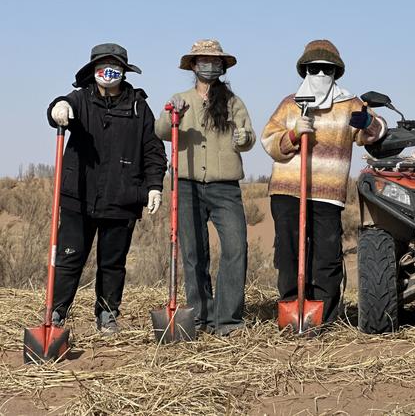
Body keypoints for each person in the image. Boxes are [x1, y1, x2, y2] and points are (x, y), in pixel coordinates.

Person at [261, 40, 386, 324]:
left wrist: (367, 123)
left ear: (336, 72)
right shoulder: (291, 103)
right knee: (289, 255)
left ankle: (324, 317)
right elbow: (269, 141)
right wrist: (292, 135)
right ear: (305, 70)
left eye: (326, 69)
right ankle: (292, 311)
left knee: (326, 257)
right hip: (288, 190)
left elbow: (377, 132)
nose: (320, 74)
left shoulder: (349, 103)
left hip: (327, 192)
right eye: (314, 68)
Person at [47, 43, 167, 334]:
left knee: (113, 263)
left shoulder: (138, 106)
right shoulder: (81, 99)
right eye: (103, 66)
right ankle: (56, 312)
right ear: (93, 70)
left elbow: (153, 149)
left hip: (122, 198)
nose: (108, 71)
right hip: (79, 196)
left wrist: (154, 185)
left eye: (114, 66)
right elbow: (60, 107)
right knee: (69, 258)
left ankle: (107, 313)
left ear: (124, 71)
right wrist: (58, 108)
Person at [155, 39, 256, 336]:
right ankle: (200, 317)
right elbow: (162, 131)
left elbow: (248, 137)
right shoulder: (180, 99)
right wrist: (171, 114)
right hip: (186, 186)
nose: (209, 66)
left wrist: (243, 138)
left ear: (222, 67)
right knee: (193, 253)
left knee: (236, 247)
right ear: (193, 66)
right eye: (203, 61)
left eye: (215, 62)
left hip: (226, 188)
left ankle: (228, 320)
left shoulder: (233, 102)